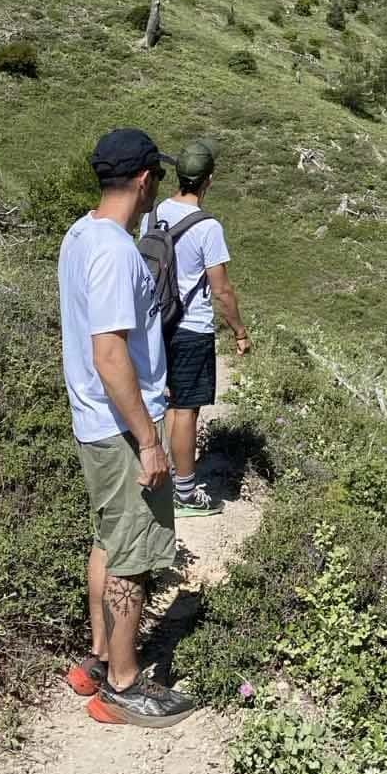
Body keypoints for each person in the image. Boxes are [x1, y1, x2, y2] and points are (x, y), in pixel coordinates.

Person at [59, 128, 196, 727]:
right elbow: (110, 354)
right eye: (156, 179)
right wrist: (147, 439)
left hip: (95, 422)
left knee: (109, 541)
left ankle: (96, 659)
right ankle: (122, 682)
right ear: (144, 181)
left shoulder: (80, 234)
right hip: (120, 429)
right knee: (132, 557)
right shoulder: (116, 251)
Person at [142, 138, 250, 516]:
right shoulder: (208, 227)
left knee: (170, 401)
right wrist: (239, 331)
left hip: (158, 323)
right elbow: (221, 290)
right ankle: (185, 493)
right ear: (208, 180)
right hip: (191, 327)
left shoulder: (152, 216)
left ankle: (173, 475)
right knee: (187, 409)